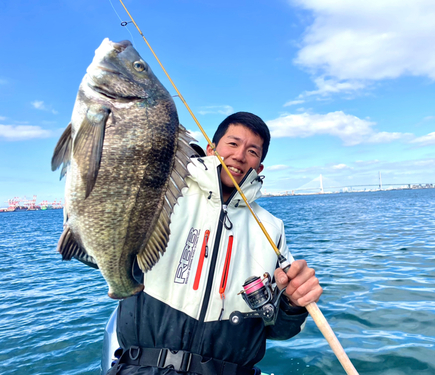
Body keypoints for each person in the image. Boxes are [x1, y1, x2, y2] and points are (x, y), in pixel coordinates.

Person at [109, 112, 323, 375]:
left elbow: (279, 329)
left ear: (259, 167)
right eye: (232, 144)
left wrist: (293, 303)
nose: (240, 156)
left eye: (252, 151)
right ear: (211, 149)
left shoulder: (272, 227)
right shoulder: (165, 196)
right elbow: (99, 250)